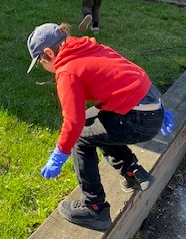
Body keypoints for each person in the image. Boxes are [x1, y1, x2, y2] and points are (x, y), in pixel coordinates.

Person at [26, 22, 174, 231]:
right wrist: (158, 106)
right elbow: (134, 72)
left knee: (80, 138)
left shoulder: (67, 70)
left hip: (137, 119)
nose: (43, 66)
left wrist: (60, 153)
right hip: (150, 107)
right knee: (94, 123)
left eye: (41, 60)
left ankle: (94, 208)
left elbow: (73, 122)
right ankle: (133, 173)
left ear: (49, 52)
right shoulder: (89, 47)